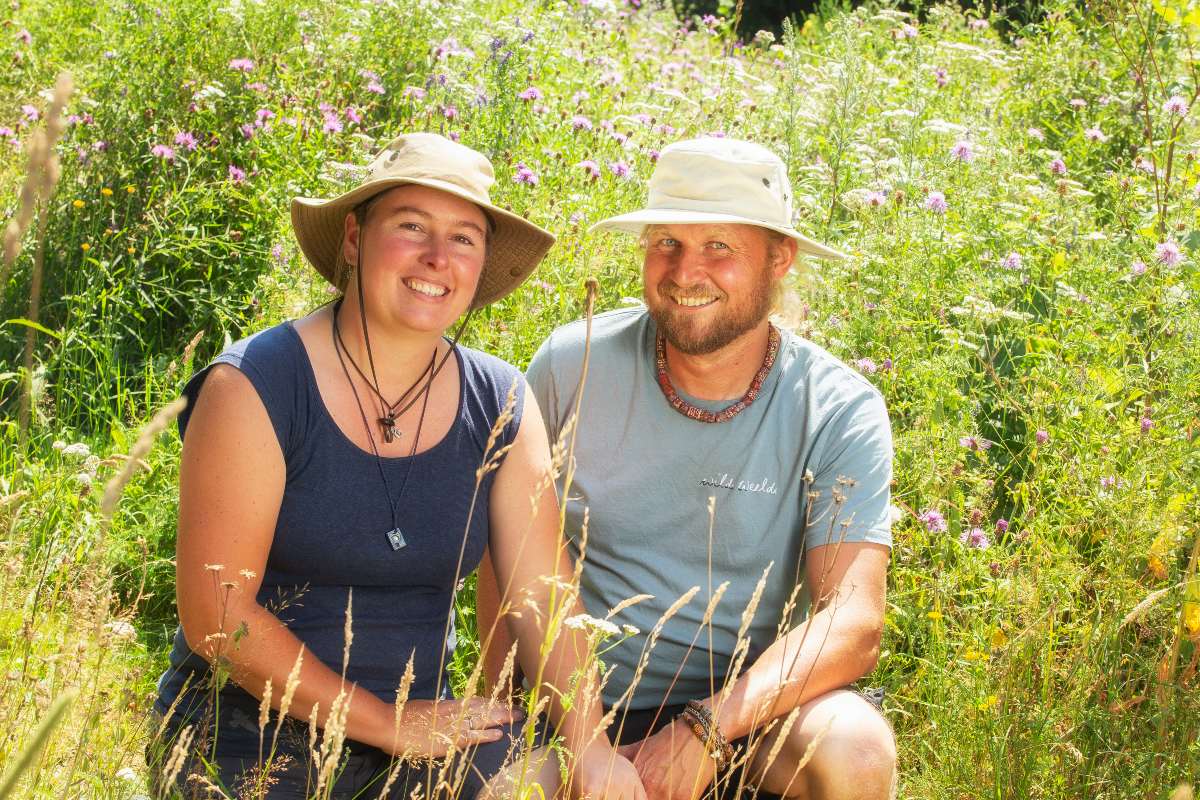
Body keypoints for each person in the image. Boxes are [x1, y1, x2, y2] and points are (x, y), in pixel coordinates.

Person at [150, 133, 643, 799]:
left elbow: (542, 594)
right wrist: (385, 723)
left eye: (464, 238)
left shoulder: (500, 401)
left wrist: (593, 747)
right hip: (251, 736)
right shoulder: (256, 385)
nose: (438, 258)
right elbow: (217, 613)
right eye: (412, 227)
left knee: (554, 782)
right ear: (353, 239)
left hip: (431, 733)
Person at [486, 137, 897, 800]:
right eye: (666, 242)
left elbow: (854, 622)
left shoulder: (837, 406)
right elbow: (507, 561)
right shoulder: (572, 364)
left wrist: (707, 729)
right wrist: (518, 723)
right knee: (505, 792)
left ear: (780, 257)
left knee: (856, 749)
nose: (684, 271)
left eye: (719, 247)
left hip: (750, 715)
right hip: (580, 716)